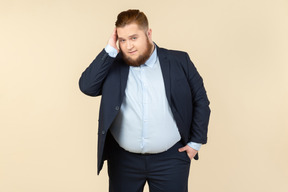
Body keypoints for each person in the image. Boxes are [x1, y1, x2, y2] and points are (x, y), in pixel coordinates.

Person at [79, 9, 210, 192]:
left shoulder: (179, 60)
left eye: (134, 38)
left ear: (148, 34)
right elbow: (87, 87)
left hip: (171, 160)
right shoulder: (112, 64)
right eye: (122, 40)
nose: (128, 46)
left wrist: (196, 142)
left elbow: (201, 100)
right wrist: (110, 49)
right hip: (124, 162)